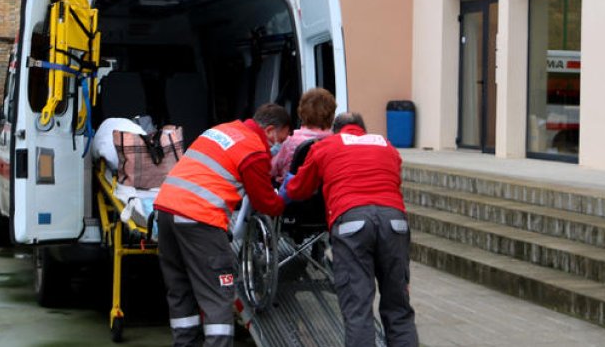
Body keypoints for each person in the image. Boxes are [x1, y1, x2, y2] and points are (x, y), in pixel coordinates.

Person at [154, 103, 291, 347]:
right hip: (199, 219)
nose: (278, 145)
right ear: (270, 131)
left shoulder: (223, 130)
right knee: (217, 295)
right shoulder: (254, 151)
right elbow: (266, 202)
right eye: (281, 139)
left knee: (180, 292)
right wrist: (287, 197)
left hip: (165, 210)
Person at [282, 111, 419, 347]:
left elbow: (298, 190)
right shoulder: (385, 145)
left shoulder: (326, 145)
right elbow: (394, 179)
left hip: (352, 222)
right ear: (363, 130)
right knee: (399, 307)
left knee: (358, 308)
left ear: (337, 130)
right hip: (395, 222)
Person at [271, 87, 335, 184]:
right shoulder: (336, 142)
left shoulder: (290, 141)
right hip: (325, 196)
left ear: (301, 112)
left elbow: (272, 170)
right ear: (331, 114)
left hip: (293, 194)